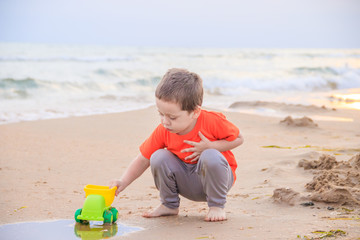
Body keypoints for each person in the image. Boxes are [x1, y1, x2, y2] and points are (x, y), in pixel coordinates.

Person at [109, 68, 244, 222]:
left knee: (210, 155)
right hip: (187, 183)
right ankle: (169, 205)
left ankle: (217, 206)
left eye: (172, 117)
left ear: (195, 112)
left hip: (217, 181)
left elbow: (239, 138)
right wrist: (123, 182)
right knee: (158, 156)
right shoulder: (164, 130)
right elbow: (143, 159)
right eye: (161, 114)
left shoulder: (211, 121)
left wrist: (211, 146)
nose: (165, 121)